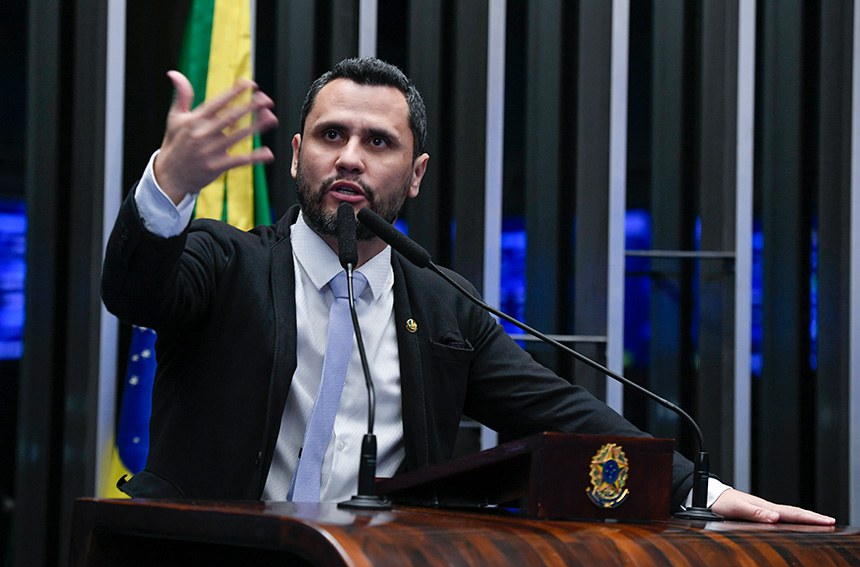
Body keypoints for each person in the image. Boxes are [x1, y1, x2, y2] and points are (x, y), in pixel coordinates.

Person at [102, 57, 833, 525]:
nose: (349, 157)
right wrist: (169, 187)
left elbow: (565, 417)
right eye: (330, 135)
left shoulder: (443, 304)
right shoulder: (225, 262)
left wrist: (699, 493)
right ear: (297, 155)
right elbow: (136, 292)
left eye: (378, 142)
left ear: (415, 175)